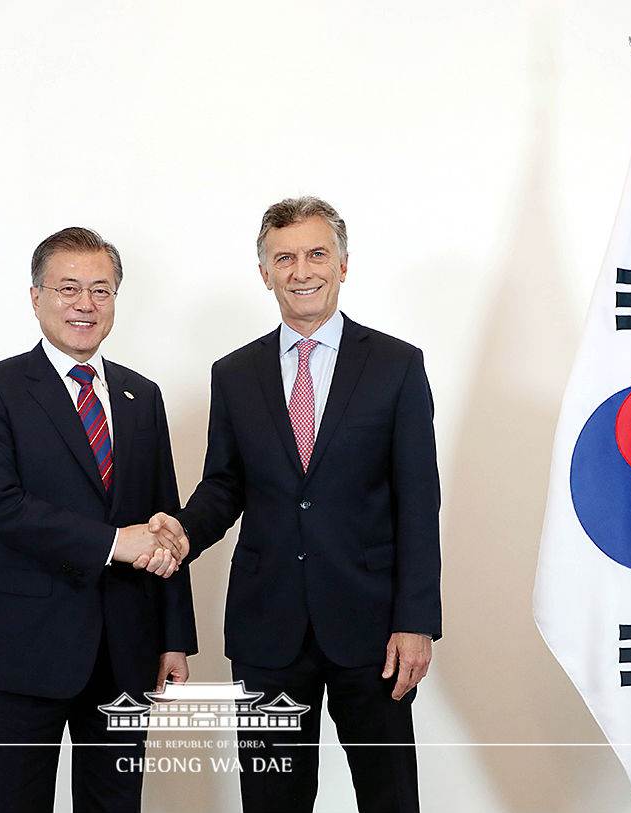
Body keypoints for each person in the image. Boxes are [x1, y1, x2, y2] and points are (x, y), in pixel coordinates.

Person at [150, 197, 441, 813]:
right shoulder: (234, 373)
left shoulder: (396, 365)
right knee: (271, 800)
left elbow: (420, 503)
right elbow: (224, 485)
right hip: (267, 627)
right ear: (265, 272)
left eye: (316, 254)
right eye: (284, 257)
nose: (301, 269)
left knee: (389, 797)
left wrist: (415, 621)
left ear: (342, 265)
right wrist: (180, 532)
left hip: (373, 627)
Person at [0, 226, 196, 813]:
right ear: (35, 296)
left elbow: (165, 522)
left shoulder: (144, 396)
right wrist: (114, 541)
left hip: (126, 649)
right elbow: (0, 508)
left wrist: (174, 638)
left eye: (101, 290)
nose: (85, 305)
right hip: (25, 649)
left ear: (116, 299)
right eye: (68, 288)